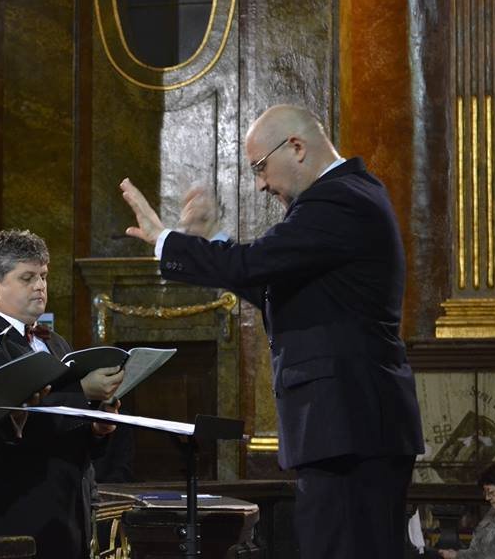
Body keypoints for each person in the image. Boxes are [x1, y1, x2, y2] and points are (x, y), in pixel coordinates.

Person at [120, 104, 424, 559]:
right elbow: (268, 280)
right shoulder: (350, 197)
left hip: (349, 427)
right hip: (351, 428)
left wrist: (168, 241)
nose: (260, 184)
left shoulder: (339, 200)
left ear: (297, 147)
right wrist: (205, 242)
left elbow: (257, 262)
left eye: (260, 167)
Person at [0, 229, 124, 559]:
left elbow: (68, 433)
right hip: (18, 507)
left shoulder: (55, 343)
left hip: (69, 507)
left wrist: (97, 429)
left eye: (43, 276)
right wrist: (81, 391)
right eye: (27, 277)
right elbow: (4, 425)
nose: (40, 286)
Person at [437, 460, 495, 558]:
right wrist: (456, 555)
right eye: (485, 493)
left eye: (491, 492)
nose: (487, 498)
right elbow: (479, 551)